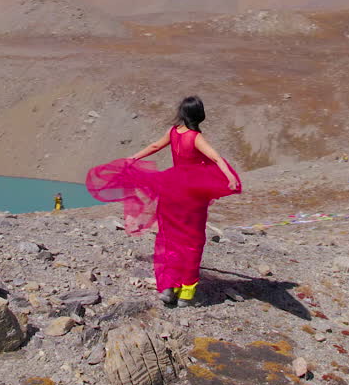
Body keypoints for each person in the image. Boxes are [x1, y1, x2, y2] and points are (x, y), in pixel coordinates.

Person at [85, 96, 241, 307]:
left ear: (183, 113)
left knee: (170, 237)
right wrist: (231, 177)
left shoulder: (173, 132)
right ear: (199, 115)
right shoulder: (196, 138)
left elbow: (153, 146)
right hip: (191, 194)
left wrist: (133, 158)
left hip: (171, 188)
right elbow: (216, 158)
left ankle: (169, 286)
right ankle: (186, 292)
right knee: (192, 240)